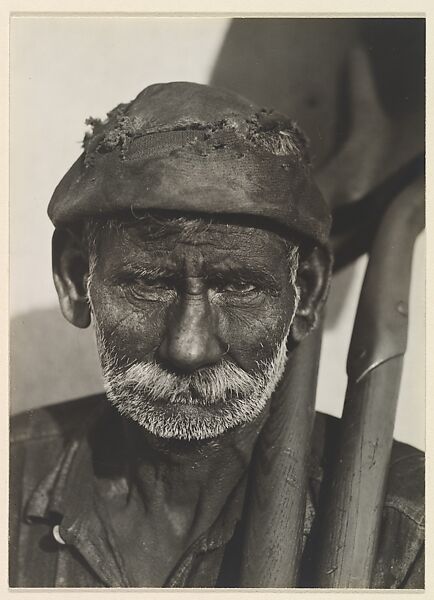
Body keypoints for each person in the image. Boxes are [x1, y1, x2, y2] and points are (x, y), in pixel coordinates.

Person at [9, 82, 424, 588]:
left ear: (308, 293)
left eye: (238, 285)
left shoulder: (410, 536)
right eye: (149, 284)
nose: (188, 347)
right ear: (77, 280)